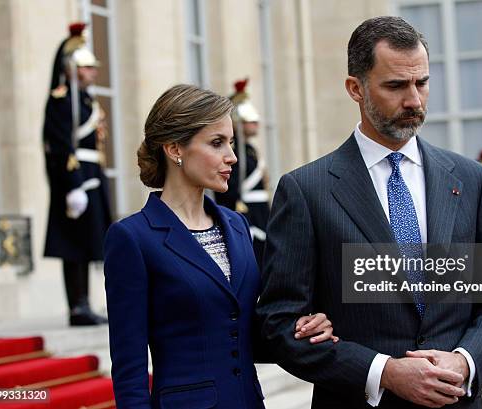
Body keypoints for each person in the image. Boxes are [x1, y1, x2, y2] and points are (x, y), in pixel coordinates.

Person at [256, 16, 482, 409]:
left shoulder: (471, 180)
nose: (414, 100)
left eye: (422, 83)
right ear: (355, 89)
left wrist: (463, 362)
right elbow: (279, 324)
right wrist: (383, 372)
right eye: (396, 85)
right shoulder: (306, 191)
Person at [103, 84, 337, 408]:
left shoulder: (237, 226)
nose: (232, 156)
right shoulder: (132, 238)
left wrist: (299, 329)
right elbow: (129, 369)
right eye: (217, 143)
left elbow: (239, 329)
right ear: (174, 149)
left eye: (230, 142)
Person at [43, 22, 111, 326]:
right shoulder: (61, 99)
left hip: (91, 174)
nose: (92, 72)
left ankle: (86, 301)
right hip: (75, 177)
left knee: (89, 240)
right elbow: (59, 144)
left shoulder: (85, 100)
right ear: (71, 67)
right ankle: (77, 305)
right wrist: (72, 185)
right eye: (86, 67)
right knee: (73, 243)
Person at [215, 79, 270, 269]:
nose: (255, 124)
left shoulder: (249, 150)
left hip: (260, 209)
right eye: (250, 121)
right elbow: (230, 187)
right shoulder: (237, 150)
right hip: (246, 211)